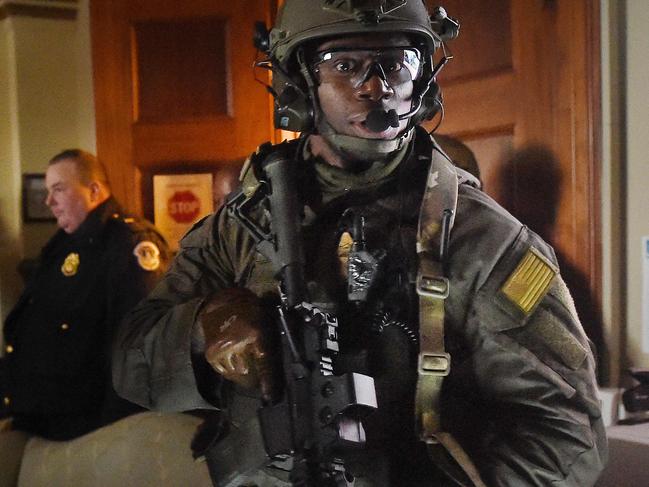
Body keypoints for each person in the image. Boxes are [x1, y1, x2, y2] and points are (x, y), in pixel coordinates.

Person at [113, 2, 607, 486]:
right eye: (345, 66)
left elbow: (568, 436)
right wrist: (205, 323)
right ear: (299, 82)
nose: (377, 86)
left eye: (397, 64)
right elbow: (131, 363)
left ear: (424, 81)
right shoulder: (242, 225)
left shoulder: (483, 240)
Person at [0, 149, 169, 440]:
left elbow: (136, 352)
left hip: (89, 430)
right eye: (48, 191)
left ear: (93, 190)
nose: (49, 201)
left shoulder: (128, 244)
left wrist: (114, 437)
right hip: (43, 418)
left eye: (59, 190)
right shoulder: (65, 242)